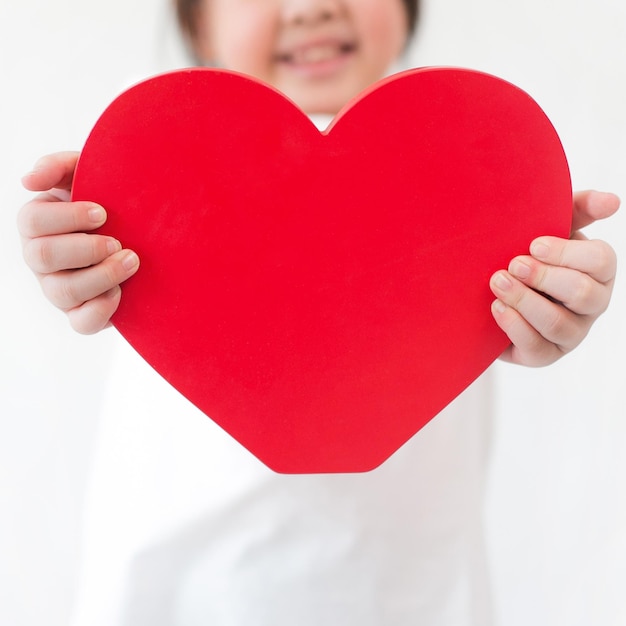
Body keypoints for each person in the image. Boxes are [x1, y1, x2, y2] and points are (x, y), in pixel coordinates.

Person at [16, 1, 619, 625]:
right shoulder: (154, 166)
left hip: (410, 592)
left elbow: (495, 310)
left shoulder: (468, 157)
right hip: (182, 589)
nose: (312, 8)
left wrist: (541, 299)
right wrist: (75, 257)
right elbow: (96, 272)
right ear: (197, 22)